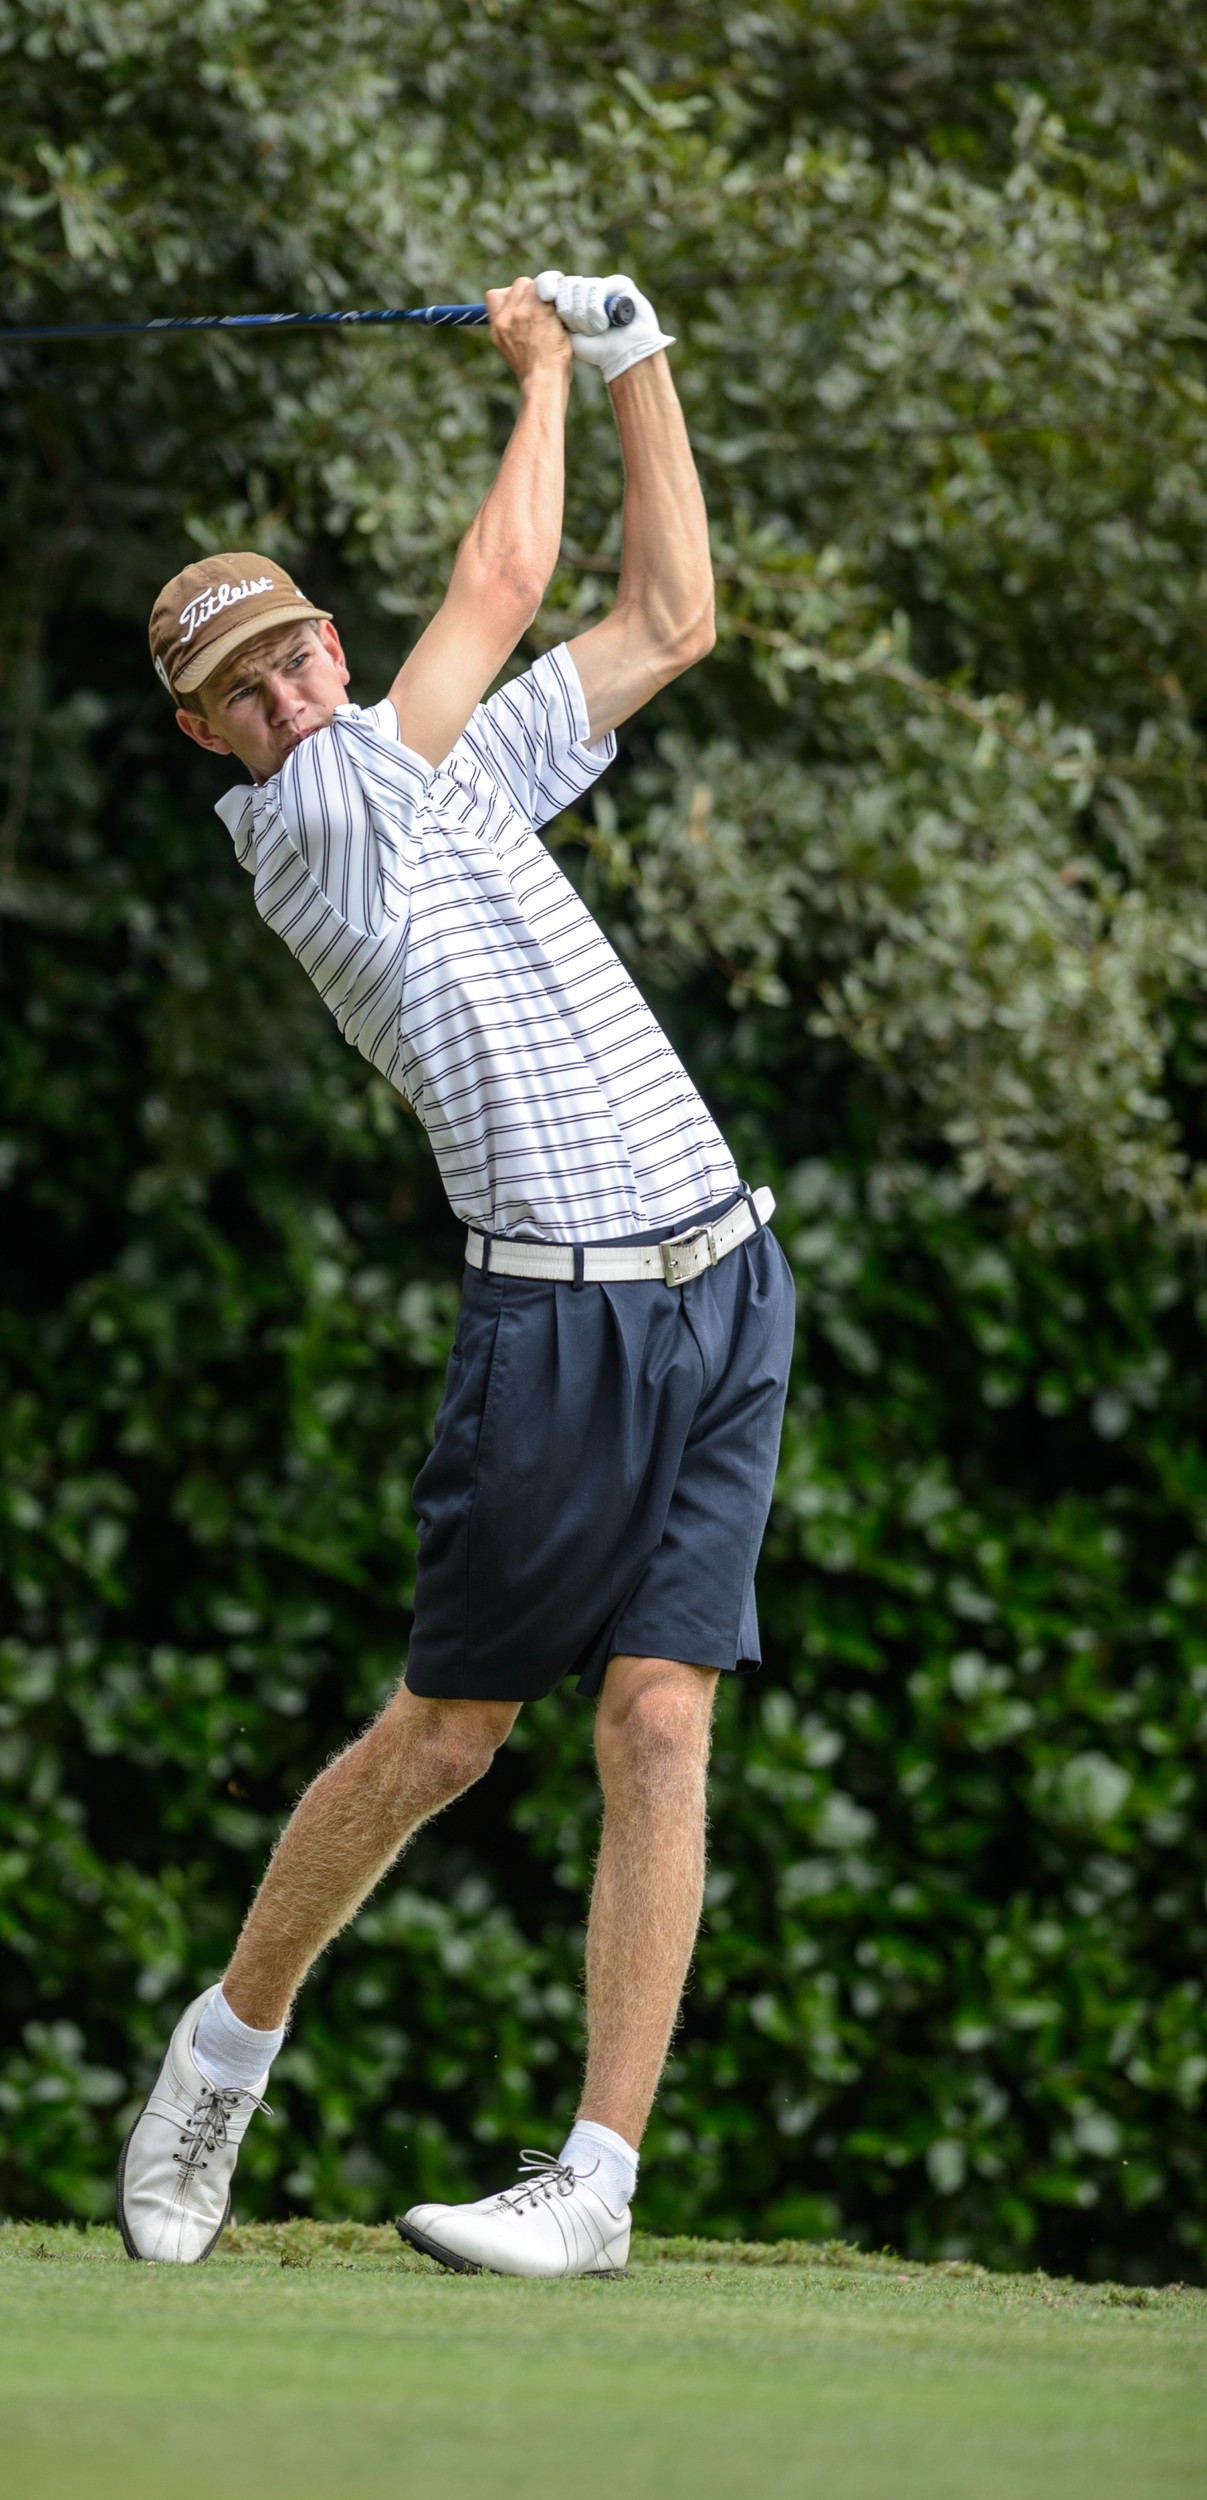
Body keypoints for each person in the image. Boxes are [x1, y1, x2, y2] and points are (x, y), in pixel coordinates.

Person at [118, 271, 794, 2278]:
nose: (281, 699)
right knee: (447, 1734)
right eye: (237, 692)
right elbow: (504, 577)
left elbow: (667, 617)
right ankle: (223, 2055)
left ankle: (594, 2181)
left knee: (662, 1716)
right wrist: (538, 369)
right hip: (560, 1320)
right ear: (209, 734)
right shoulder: (314, 820)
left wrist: (644, 349)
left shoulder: (457, 774)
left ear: (328, 636)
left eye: (290, 656)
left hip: (724, 1279)